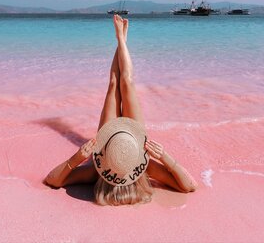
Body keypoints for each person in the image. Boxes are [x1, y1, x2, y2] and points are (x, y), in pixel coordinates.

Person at [44, 15, 198, 205]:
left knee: (116, 84)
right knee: (125, 83)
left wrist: (78, 158)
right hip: (132, 142)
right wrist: (165, 158)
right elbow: (189, 186)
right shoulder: (145, 168)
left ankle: (120, 39)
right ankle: (121, 40)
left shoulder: (95, 173)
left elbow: (52, 180)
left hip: (113, 142)